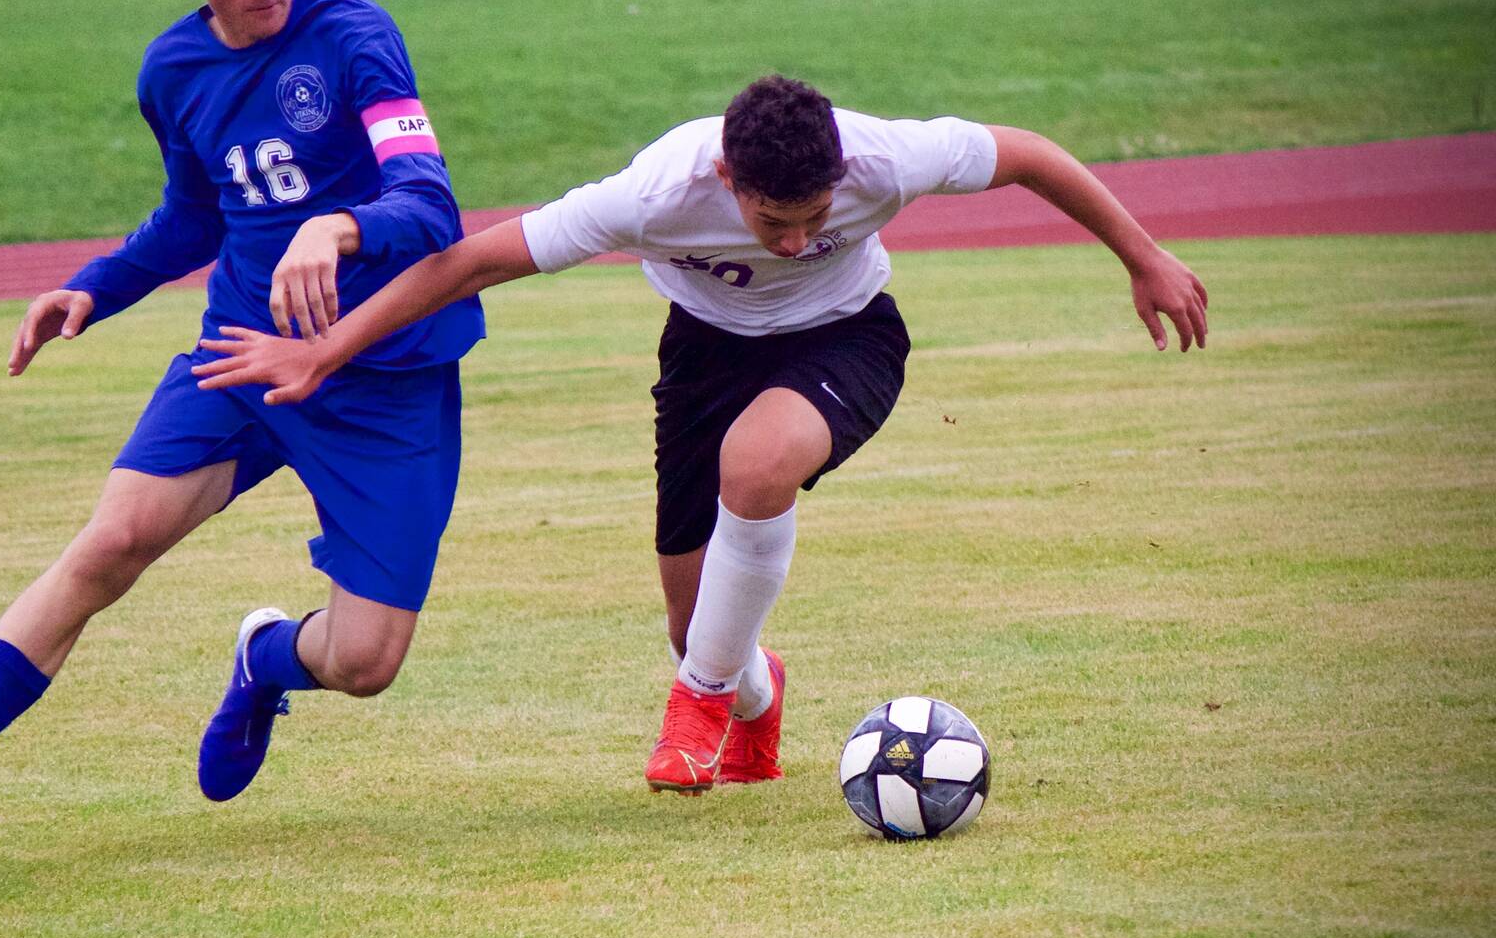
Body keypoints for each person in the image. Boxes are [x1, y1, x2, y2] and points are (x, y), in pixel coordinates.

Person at [191, 74, 1209, 795]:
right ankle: (746, 689)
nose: (797, 240)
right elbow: (468, 263)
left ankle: (700, 701)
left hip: (847, 336)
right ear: (726, 176)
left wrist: (1143, 254)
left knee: (755, 467)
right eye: (773, 222)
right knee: (697, 617)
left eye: (815, 216)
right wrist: (326, 350)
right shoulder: (652, 194)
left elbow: (1028, 155)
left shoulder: (886, 157)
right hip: (704, 355)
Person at [0, 0, 482, 861]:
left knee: (364, 662)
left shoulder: (354, 37)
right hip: (241, 355)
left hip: (383, 376)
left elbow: (430, 206)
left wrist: (337, 227)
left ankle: (266, 656)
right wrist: (94, 287)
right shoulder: (174, 71)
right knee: (110, 542)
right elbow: (193, 213)